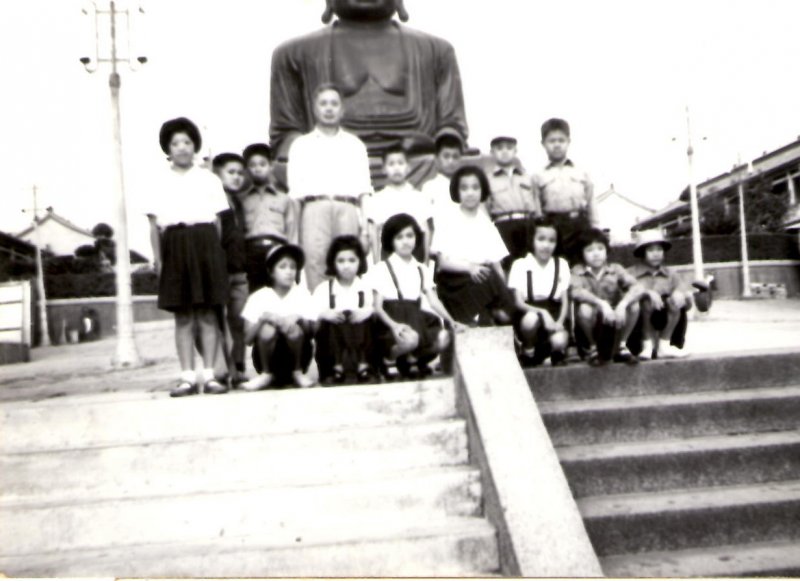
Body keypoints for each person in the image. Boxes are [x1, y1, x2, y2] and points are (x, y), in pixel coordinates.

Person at [146, 117, 229, 397]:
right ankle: (187, 378)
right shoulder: (158, 181)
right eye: (175, 143)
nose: (182, 147)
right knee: (183, 317)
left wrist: (214, 256)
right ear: (167, 149)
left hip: (205, 243)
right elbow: (154, 226)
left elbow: (218, 223)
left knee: (207, 314)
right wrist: (159, 259)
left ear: (195, 146)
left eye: (187, 142)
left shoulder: (209, 179)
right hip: (174, 244)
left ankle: (211, 376)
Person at [287, 84, 373, 290]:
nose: (328, 108)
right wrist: (293, 237)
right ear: (314, 108)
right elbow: (295, 196)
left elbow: (364, 192)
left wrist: (366, 231)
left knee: (348, 265)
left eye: (334, 104)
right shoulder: (301, 145)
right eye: (323, 103)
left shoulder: (355, 145)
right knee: (316, 264)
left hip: (347, 209)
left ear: (342, 109)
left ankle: (347, 309)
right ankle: (320, 310)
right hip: (314, 210)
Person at [371, 213, 464, 380]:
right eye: (399, 237)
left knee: (444, 337)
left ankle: (413, 359)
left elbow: (433, 301)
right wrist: (394, 326)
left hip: (416, 317)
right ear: (391, 241)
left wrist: (451, 320)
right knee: (410, 339)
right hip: (391, 320)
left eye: (410, 236)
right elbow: (377, 307)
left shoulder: (421, 268)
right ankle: (390, 359)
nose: (405, 241)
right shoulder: (382, 268)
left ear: (416, 238)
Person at [432, 165, 514, 325]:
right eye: (464, 188)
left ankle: (499, 314)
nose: (470, 193)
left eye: (475, 188)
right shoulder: (448, 219)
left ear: (483, 191)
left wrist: (504, 293)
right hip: (455, 281)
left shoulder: (486, 223)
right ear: (457, 191)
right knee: (489, 280)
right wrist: (470, 268)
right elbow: (442, 263)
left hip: (482, 280)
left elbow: (496, 263)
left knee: (501, 298)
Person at [240, 244, 316, 390]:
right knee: (267, 329)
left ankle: (297, 373)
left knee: (293, 329)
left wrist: (298, 318)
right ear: (271, 272)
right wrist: (263, 319)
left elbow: (312, 332)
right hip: (266, 357)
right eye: (282, 267)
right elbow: (247, 339)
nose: (289, 272)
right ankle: (266, 374)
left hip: (298, 355)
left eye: (293, 267)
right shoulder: (259, 297)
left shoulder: (302, 295)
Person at [571, 228, 643, 366]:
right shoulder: (577, 271)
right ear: (582, 253)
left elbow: (638, 287)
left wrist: (623, 304)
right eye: (589, 250)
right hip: (592, 323)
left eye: (600, 248)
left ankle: (622, 346)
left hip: (615, 320)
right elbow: (576, 292)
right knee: (584, 308)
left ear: (606, 251)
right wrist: (601, 304)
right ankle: (592, 349)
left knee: (634, 304)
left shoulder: (615, 269)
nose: (596, 254)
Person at [531, 118, 598, 264]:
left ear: (568, 142)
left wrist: (595, 228)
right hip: (554, 227)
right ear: (543, 144)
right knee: (558, 266)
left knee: (582, 265)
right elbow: (537, 207)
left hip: (580, 224)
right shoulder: (537, 175)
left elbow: (591, 200)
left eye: (561, 140)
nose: (557, 145)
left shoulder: (581, 171)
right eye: (552, 141)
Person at [312, 235, 376, 384]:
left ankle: (363, 366)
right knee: (335, 317)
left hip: (359, 344)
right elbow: (312, 315)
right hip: (333, 347)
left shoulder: (365, 287)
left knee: (361, 316)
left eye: (352, 260)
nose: (346, 266)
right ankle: (336, 367)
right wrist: (324, 314)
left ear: (360, 262)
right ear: (333, 263)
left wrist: (367, 311)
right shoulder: (324, 289)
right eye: (341, 261)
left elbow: (374, 308)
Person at [508, 218, 570, 367]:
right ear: (532, 240)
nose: (546, 245)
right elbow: (518, 302)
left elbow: (565, 301)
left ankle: (553, 352)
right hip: (529, 312)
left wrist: (559, 322)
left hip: (554, 312)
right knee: (530, 319)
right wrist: (542, 312)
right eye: (541, 239)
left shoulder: (561, 264)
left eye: (551, 241)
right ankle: (528, 350)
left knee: (559, 340)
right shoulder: (520, 265)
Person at [211, 152, 250, 386]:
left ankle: (239, 367)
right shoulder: (211, 202)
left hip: (239, 271)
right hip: (220, 270)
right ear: (217, 175)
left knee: (239, 320)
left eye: (240, 173)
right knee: (218, 322)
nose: (236, 177)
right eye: (231, 172)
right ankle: (222, 370)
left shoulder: (238, 202)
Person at [241, 143, 298, 292]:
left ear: (271, 166)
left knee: (278, 293)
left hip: (277, 251)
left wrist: (292, 258)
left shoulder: (284, 199)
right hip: (251, 252)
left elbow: (292, 232)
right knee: (254, 294)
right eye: (252, 165)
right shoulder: (242, 200)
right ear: (247, 169)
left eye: (262, 164)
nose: (257, 168)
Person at [627, 229, 691, 360]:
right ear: (642, 252)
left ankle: (665, 344)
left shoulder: (671, 274)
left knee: (675, 301)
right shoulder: (630, 273)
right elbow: (624, 293)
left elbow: (684, 290)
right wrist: (646, 293)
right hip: (637, 326)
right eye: (650, 250)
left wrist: (679, 293)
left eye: (659, 250)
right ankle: (646, 345)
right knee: (646, 301)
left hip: (666, 321)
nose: (656, 254)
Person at [368, 145, 433, 264]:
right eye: (391, 164)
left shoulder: (419, 198)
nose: (396, 168)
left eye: (400, 163)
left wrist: (426, 262)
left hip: (414, 253)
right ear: (383, 169)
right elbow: (374, 233)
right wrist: (377, 263)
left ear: (408, 167)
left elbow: (426, 231)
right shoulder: (377, 199)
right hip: (388, 253)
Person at [486, 135, 538, 271]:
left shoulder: (527, 177)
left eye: (509, 148)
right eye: (499, 148)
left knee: (531, 265)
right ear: (492, 152)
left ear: (515, 151)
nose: (504, 151)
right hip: (503, 226)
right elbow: (486, 209)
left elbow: (536, 203)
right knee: (509, 266)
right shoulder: (488, 180)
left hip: (528, 225)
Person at [421, 135, 465, 224]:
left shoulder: (466, 185)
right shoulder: (429, 187)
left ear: (461, 159)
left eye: (455, 157)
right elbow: (425, 219)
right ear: (437, 159)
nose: (450, 161)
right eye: (446, 156)